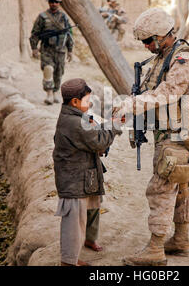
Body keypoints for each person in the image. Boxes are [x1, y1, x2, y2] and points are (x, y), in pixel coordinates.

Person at [113, 8, 189, 266]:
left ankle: (155, 248)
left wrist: (131, 105)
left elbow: (169, 92)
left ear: (164, 36)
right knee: (181, 185)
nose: (146, 46)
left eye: (149, 41)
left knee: (161, 188)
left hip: (178, 135)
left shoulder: (183, 59)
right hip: (171, 131)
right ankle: (181, 240)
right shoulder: (165, 55)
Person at [53, 78, 122, 266]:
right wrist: (114, 126)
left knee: (92, 207)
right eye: (87, 100)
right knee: (74, 222)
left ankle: (89, 240)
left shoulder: (77, 116)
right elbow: (99, 141)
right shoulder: (73, 122)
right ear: (74, 102)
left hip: (85, 174)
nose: (90, 103)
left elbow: (93, 134)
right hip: (73, 180)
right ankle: (68, 261)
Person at [30, 0, 74, 105]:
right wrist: (34, 48)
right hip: (47, 49)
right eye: (51, 2)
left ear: (59, 3)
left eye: (56, 2)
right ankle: (49, 93)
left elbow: (69, 34)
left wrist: (70, 50)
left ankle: (55, 92)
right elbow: (35, 33)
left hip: (60, 50)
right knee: (48, 69)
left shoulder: (64, 18)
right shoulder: (42, 17)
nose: (53, 4)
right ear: (49, 3)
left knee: (59, 73)